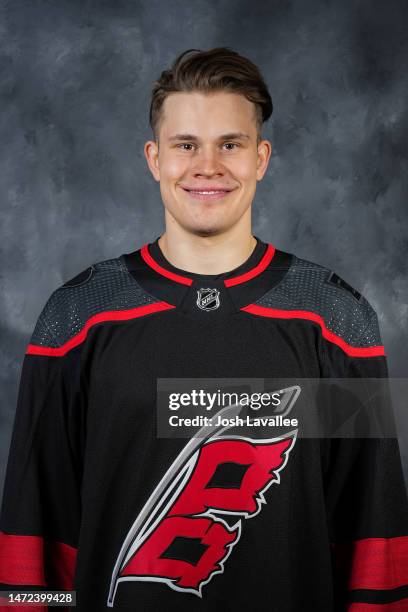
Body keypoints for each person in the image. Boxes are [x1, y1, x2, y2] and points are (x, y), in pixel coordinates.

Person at [1, 47, 407, 611]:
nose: (207, 165)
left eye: (231, 144)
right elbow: (34, 533)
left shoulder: (333, 320)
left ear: (261, 158)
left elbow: (371, 537)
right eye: (186, 144)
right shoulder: (79, 317)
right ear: (154, 158)